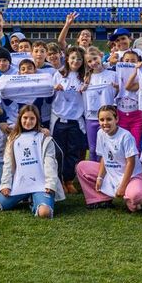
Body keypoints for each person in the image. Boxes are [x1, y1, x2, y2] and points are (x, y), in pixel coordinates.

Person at [0, 105, 65, 218]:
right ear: (20, 119)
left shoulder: (44, 138)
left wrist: (50, 184)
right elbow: (8, 165)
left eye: (32, 118)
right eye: (25, 118)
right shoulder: (12, 139)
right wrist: (6, 185)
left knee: (44, 213)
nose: (28, 121)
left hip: (41, 185)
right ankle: (24, 196)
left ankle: (34, 201)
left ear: (37, 120)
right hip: (20, 184)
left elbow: (50, 164)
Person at [76, 105, 142, 211]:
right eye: (101, 120)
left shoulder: (126, 136)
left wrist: (122, 186)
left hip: (131, 175)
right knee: (81, 166)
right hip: (111, 173)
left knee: (136, 197)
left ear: (116, 119)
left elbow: (131, 162)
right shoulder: (100, 133)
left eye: (109, 119)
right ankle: (101, 199)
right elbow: (104, 157)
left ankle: (129, 195)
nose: (105, 123)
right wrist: (100, 177)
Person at [51, 46, 88, 194]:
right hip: (60, 119)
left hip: (75, 120)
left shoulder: (85, 76)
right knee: (59, 152)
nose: (76, 61)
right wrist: (54, 88)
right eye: (73, 58)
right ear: (67, 58)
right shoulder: (59, 74)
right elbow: (49, 92)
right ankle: (59, 180)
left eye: (79, 59)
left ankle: (69, 180)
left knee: (73, 152)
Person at [83, 48, 119, 161]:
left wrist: (117, 88)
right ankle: (93, 174)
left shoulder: (113, 74)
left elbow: (118, 95)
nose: (93, 63)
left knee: (109, 148)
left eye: (95, 59)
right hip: (92, 118)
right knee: (93, 149)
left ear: (101, 56)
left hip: (108, 118)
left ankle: (108, 174)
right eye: (89, 61)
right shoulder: (86, 78)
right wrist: (83, 89)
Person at [112, 49, 142, 149]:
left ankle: (135, 165)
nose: (130, 63)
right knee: (121, 146)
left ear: (138, 62)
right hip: (121, 115)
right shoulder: (116, 75)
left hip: (136, 116)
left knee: (135, 145)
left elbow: (128, 87)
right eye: (127, 61)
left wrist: (135, 71)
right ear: (122, 62)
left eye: (133, 61)